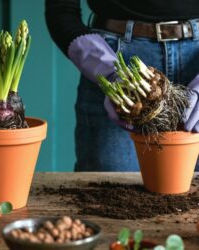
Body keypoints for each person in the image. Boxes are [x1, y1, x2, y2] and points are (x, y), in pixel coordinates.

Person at [45, 0, 199, 171]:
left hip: (195, 59)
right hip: (114, 55)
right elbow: (61, 11)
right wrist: (110, 72)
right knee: (104, 190)